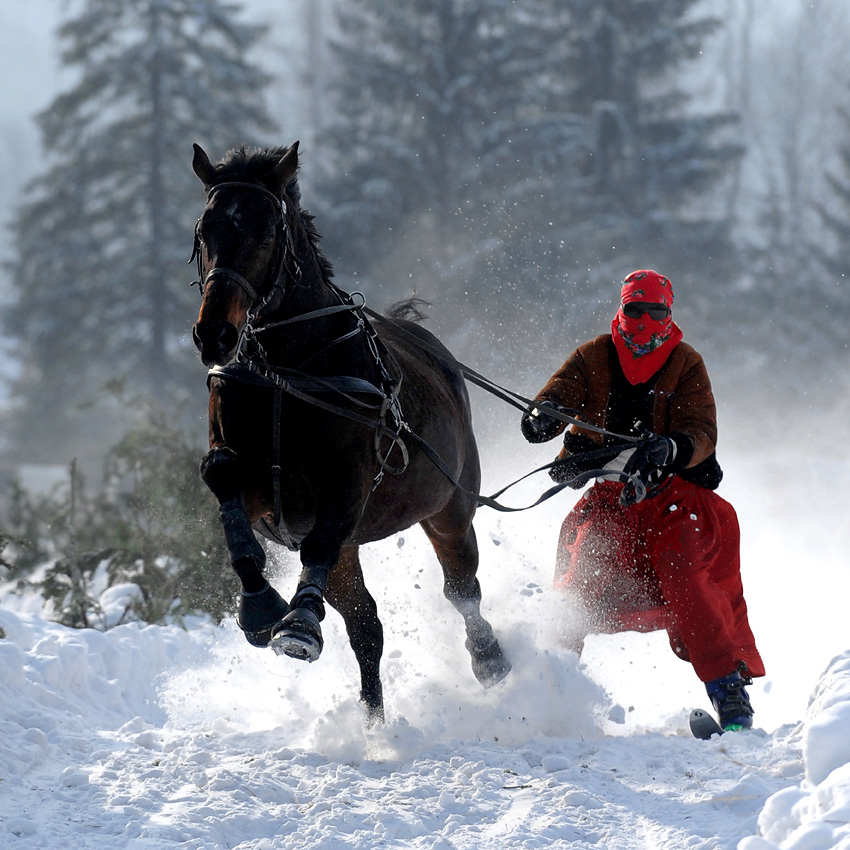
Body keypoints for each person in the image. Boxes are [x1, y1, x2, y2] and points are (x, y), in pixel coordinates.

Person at [520, 269, 764, 731]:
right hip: (610, 501)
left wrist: (672, 448)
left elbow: (702, 432)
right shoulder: (593, 355)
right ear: (622, 309)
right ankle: (546, 691)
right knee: (578, 579)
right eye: (636, 309)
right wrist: (541, 419)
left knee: (689, 580)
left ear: (669, 314)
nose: (645, 321)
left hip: (672, 499)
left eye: (656, 311)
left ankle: (728, 693)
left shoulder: (686, 361)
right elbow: (555, 401)